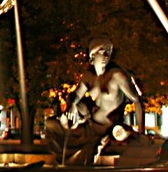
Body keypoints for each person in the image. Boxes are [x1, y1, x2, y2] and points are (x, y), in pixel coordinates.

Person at [44, 37, 145, 166]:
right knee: (51, 124)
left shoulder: (117, 75)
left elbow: (137, 101)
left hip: (108, 128)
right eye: (102, 51)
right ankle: (62, 161)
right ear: (93, 55)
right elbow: (75, 95)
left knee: (86, 154)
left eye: (108, 51)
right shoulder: (89, 77)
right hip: (89, 126)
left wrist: (141, 133)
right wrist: (72, 105)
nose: (106, 55)